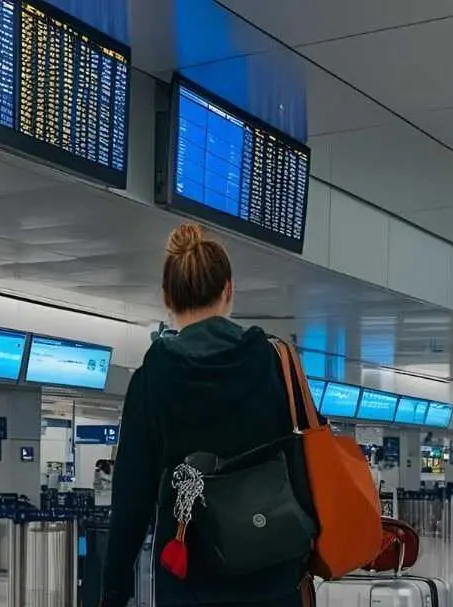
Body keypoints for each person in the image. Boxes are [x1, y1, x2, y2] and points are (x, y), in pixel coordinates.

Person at [99, 224, 316, 607]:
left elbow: (132, 497)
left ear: (167, 297)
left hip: (190, 581)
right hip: (274, 575)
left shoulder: (151, 379)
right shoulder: (275, 362)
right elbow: (308, 457)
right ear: (228, 290)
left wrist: (113, 592)